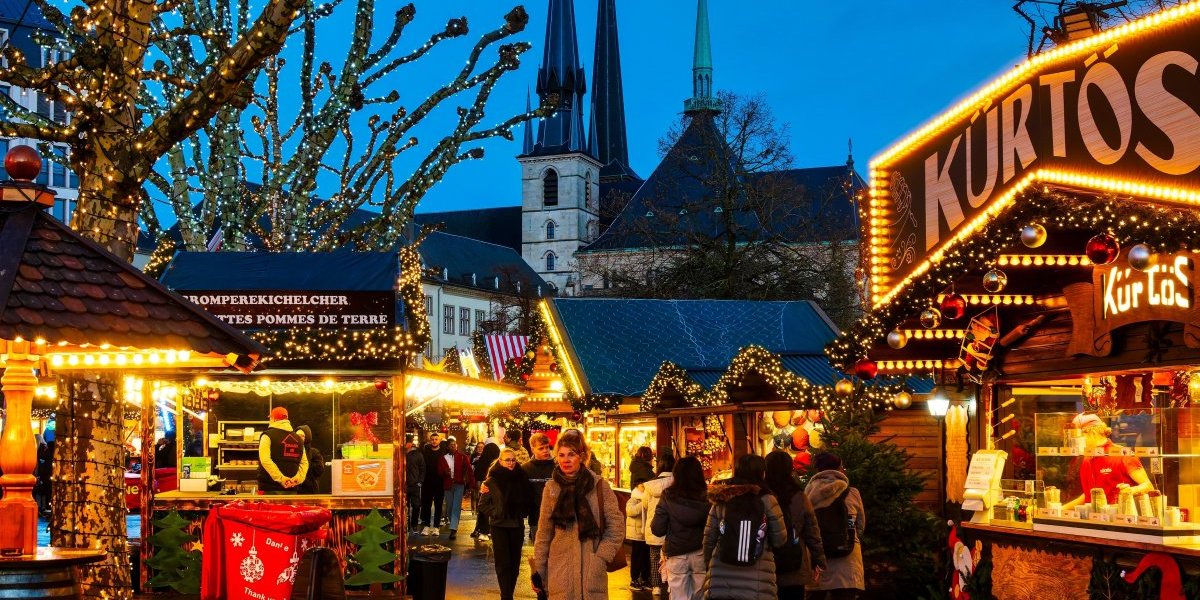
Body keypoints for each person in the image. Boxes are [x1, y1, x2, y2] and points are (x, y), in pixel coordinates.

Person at [532, 429, 624, 600]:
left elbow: (616, 526)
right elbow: (544, 533)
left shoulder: (599, 486)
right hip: (560, 571)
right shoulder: (551, 489)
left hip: (592, 570)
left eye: (571, 454)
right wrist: (539, 571)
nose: (565, 460)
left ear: (582, 457)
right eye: (561, 455)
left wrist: (601, 557)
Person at [700, 453, 787, 600]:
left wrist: (708, 563)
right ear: (762, 473)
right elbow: (780, 540)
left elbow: (709, 539)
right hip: (758, 579)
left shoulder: (723, 498)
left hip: (721, 576)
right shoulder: (768, 500)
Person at [766, 450, 826, 600]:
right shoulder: (799, 496)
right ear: (789, 469)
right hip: (795, 565)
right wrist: (819, 560)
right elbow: (812, 532)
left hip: (766, 566)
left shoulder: (762, 496)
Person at [805, 453, 865, 600]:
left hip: (818, 560)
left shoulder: (807, 493)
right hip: (847, 558)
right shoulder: (852, 493)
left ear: (818, 470)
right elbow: (860, 525)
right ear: (840, 468)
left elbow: (804, 526)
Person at [1063, 413, 1154, 508]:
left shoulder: (1123, 454)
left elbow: (1148, 486)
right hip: (1094, 519)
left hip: (1120, 519)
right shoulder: (1087, 459)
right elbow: (1088, 496)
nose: (1075, 442)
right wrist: (1061, 510)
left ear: (1092, 433)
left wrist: (1131, 491)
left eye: (1078, 437)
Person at [478, 448, 534, 600]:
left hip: (516, 525)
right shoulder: (492, 481)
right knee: (503, 564)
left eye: (513, 460)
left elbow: (529, 497)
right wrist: (497, 512)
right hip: (499, 527)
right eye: (507, 460)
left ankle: (509, 593)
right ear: (500, 461)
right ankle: (506, 595)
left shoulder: (522, 477)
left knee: (515, 564)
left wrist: (523, 511)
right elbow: (482, 505)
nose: (510, 463)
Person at [652, 456, 710, 600]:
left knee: (679, 596)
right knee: (701, 595)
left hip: (676, 553)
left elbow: (657, 529)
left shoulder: (668, 496)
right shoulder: (707, 497)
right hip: (700, 553)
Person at [641, 455, 676, 596]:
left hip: (654, 527)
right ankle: (670, 584)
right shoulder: (676, 483)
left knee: (655, 557)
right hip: (671, 528)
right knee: (671, 558)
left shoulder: (650, 486)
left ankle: (657, 586)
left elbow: (644, 504)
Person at [257, 407, 308, 494]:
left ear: (273, 419)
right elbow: (304, 463)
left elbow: (265, 460)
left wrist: (281, 479)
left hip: (270, 488)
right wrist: (296, 479)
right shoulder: (298, 439)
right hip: (292, 488)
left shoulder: (267, 436)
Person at [438, 438, 475, 539]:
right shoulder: (443, 458)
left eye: (454, 444)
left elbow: (469, 471)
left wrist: (471, 485)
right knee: (449, 507)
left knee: (456, 507)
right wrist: (445, 472)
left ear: (457, 445)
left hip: (459, 484)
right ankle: (452, 524)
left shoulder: (463, 457)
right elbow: (439, 472)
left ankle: (453, 528)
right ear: (448, 447)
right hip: (448, 485)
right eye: (451, 445)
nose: (453, 446)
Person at [522, 432, 555, 543]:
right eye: (541, 448)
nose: (545, 451)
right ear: (533, 449)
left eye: (547, 447)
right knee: (540, 551)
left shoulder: (558, 467)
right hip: (536, 517)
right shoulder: (526, 469)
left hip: (557, 517)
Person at [472, 442, 501, 539]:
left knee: (483, 509)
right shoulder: (498, 463)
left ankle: (481, 529)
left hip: (484, 488)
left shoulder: (482, 461)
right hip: (496, 490)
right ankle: (491, 530)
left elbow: (477, 475)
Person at [419, 432, 446, 535]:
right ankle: (426, 525)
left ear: (439, 440)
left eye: (436, 439)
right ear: (430, 441)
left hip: (439, 482)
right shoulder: (425, 452)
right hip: (427, 482)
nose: (434, 441)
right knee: (426, 505)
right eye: (432, 439)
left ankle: (436, 526)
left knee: (438, 505)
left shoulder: (443, 452)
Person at [405, 434, 426, 532]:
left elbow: (423, 468)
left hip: (414, 485)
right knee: (406, 507)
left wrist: (420, 482)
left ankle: (414, 524)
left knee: (416, 505)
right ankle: (407, 525)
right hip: (404, 485)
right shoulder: (401, 454)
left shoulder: (417, 454)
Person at [295, 425, 325, 494]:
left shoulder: (314, 453)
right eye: (297, 435)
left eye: (302, 436)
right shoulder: (291, 452)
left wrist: (303, 465)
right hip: (294, 491)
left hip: (310, 491)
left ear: (307, 437)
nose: (299, 438)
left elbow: (319, 471)